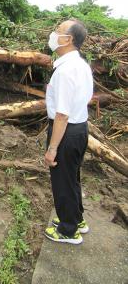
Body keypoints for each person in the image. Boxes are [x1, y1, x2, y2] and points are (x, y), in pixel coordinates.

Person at [44, 19, 93, 245]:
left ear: (69, 39)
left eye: (59, 31)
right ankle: (76, 219)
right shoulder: (80, 65)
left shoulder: (65, 71)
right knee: (72, 178)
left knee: (63, 181)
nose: (54, 34)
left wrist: (52, 148)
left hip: (66, 131)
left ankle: (68, 231)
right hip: (80, 129)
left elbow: (62, 115)